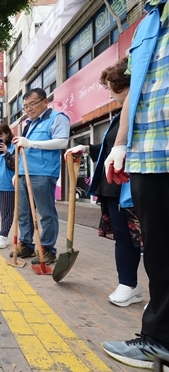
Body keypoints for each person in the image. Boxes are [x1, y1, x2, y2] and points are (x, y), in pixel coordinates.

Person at [101, 0, 169, 368]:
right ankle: (159, 340)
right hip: (150, 156)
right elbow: (137, 93)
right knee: (159, 252)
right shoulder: (147, 25)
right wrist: (121, 144)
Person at [66, 57, 143, 307]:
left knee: (149, 240)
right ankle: (129, 284)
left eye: (110, 86)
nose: (108, 92)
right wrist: (86, 147)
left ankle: (148, 292)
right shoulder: (120, 114)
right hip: (114, 186)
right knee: (124, 237)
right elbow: (108, 148)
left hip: (134, 184)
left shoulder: (140, 108)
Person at [9, 88, 70, 265]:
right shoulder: (29, 124)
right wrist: (17, 173)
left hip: (43, 174)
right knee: (23, 213)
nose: (28, 109)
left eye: (32, 104)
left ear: (45, 101)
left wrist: (32, 143)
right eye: (25, 106)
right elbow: (22, 151)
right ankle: (26, 245)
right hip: (24, 173)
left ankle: (47, 249)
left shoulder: (57, 118)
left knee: (45, 213)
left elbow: (62, 141)